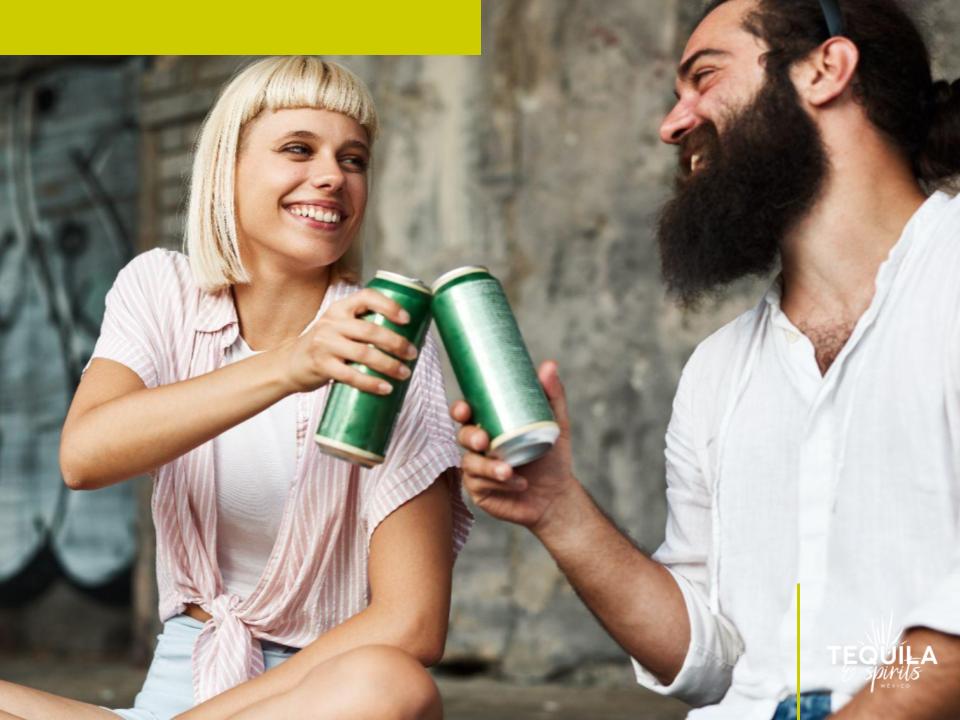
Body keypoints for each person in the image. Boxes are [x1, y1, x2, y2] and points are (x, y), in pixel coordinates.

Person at [451, 1, 960, 719]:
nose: (672, 123)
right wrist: (559, 510)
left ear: (826, 69)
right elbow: (713, 658)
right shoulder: (718, 371)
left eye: (704, 78)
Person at [0, 56, 471, 720]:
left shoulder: (386, 338)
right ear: (228, 168)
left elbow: (413, 622)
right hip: (182, 675)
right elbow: (85, 455)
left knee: (392, 685)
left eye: (354, 159)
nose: (332, 176)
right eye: (298, 149)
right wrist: (291, 367)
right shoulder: (160, 288)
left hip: (311, 696)